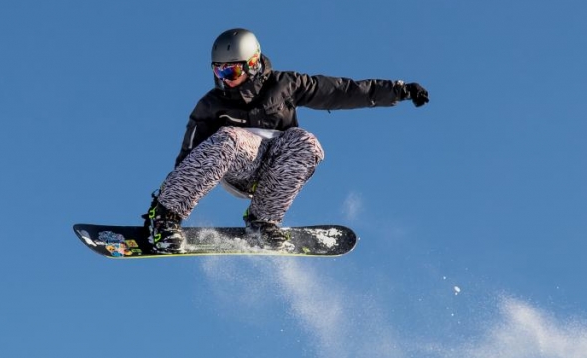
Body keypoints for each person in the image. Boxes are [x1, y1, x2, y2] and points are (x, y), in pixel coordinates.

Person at [143, 28, 429, 253]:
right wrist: (165, 201)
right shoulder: (211, 105)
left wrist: (399, 91)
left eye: (231, 71)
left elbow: (343, 91)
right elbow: (190, 159)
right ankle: (165, 219)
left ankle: (262, 222)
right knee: (229, 136)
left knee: (306, 141)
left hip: (275, 169)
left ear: (253, 64)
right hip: (237, 167)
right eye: (219, 71)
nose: (225, 79)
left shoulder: (286, 85)